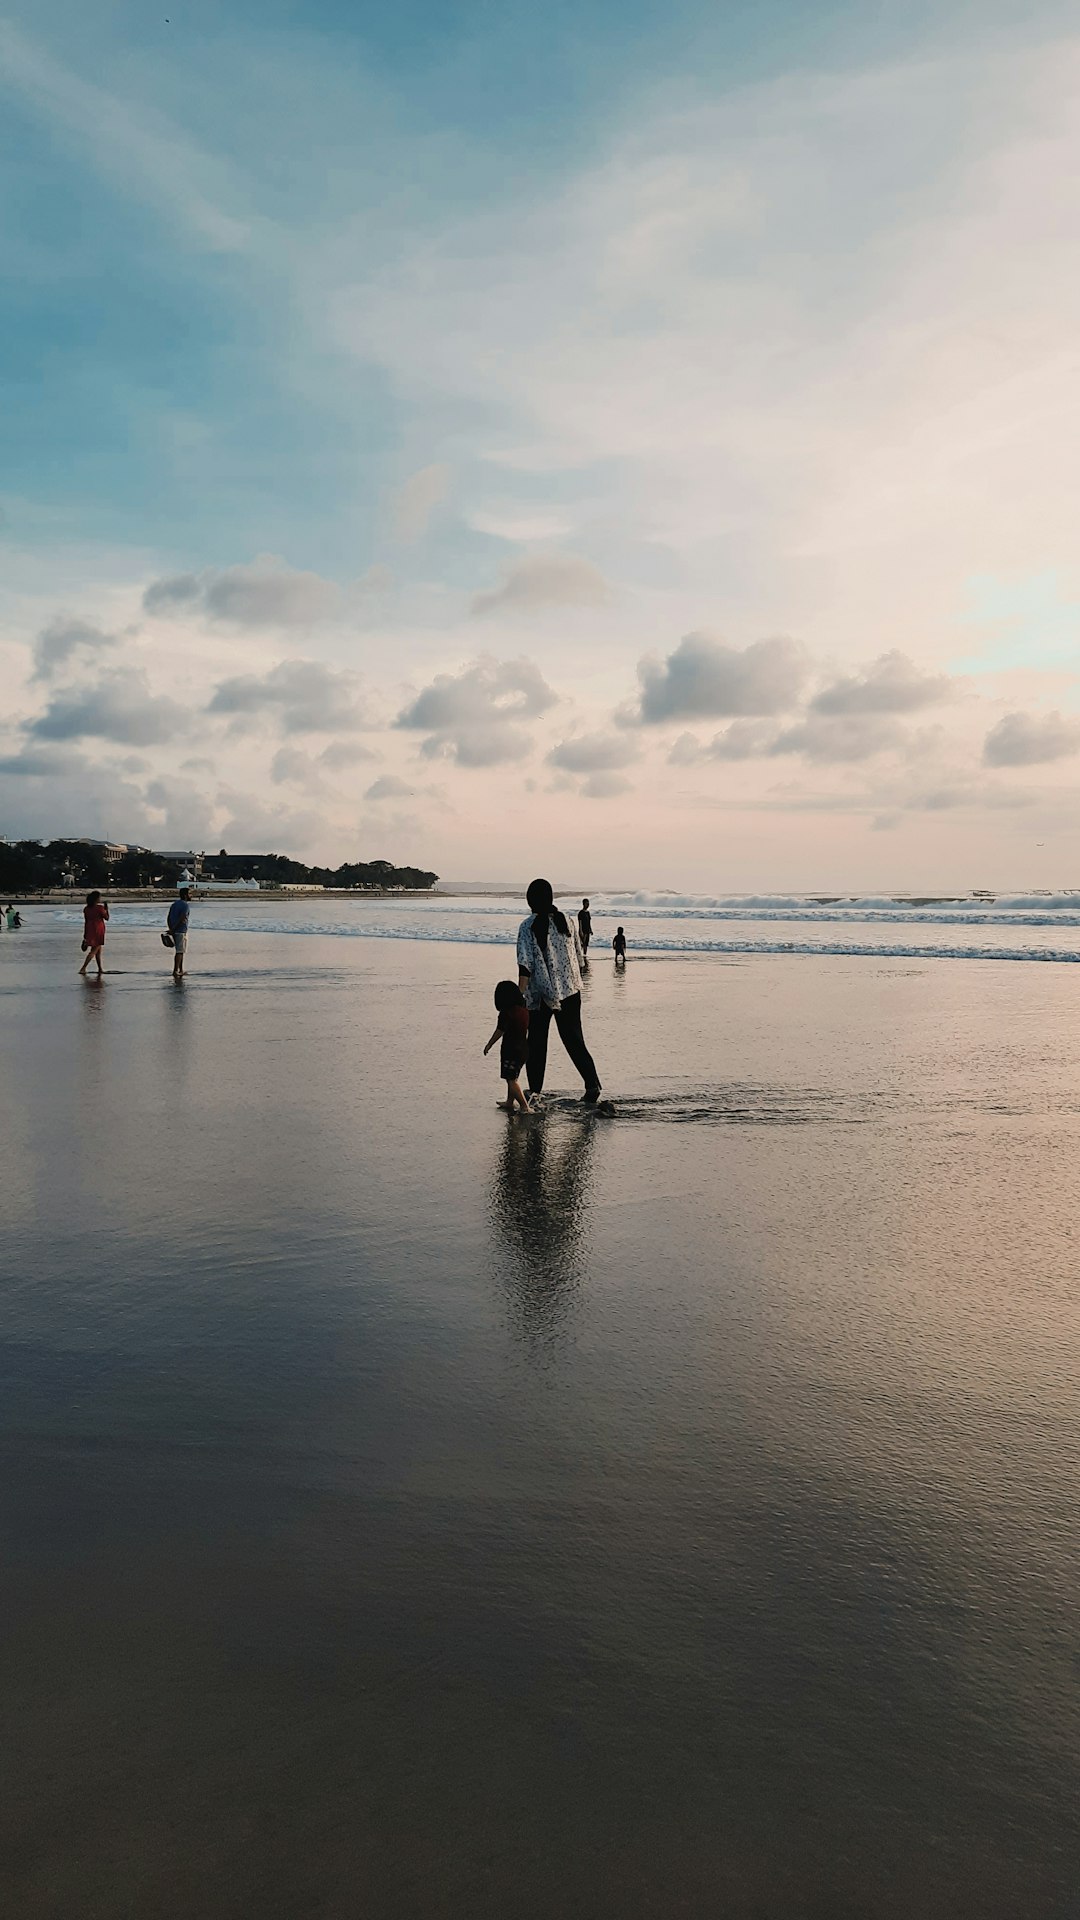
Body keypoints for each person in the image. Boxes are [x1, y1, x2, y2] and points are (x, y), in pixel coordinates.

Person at [517, 878, 601, 1103]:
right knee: (574, 1040)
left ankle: (535, 1090)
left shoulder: (527, 927)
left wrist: (519, 998)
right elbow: (579, 957)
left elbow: (525, 966)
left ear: (530, 900)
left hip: (540, 994)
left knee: (536, 1043)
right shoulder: (567, 921)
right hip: (570, 990)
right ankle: (592, 1084)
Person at [483, 980, 531, 1112]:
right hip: (523, 1049)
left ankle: (524, 1106)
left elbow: (500, 1031)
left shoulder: (506, 1013)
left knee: (511, 1079)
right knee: (512, 1076)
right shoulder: (524, 1010)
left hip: (511, 1050)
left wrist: (489, 1044)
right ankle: (509, 1101)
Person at [79, 890, 109, 976]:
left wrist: (85, 934)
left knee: (98, 951)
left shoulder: (86, 909)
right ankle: (83, 968)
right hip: (98, 929)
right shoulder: (99, 908)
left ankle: (100, 968)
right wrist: (106, 909)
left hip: (90, 928)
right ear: (96, 899)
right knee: (94, 950)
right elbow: (106, 917)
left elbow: (86, 921)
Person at [166, 886, 192, 978]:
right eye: (189, 894)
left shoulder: (174, 904)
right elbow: (182, 918)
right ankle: (175, 971)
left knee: (180, 951)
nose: (191, 896)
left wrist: (171, 928)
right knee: (180, 952)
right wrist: (174, 929)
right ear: (185, 895)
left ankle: (180, 970)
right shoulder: (185, 905)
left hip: (175, 930)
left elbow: (168, 917)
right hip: (180, 931)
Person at [577, 898, 592, 965]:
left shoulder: (588, 913)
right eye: (586, 903)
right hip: (583, 930)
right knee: (582, 944)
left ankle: (584, 955)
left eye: (588, 903)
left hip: (587, 930)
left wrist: (591, 930)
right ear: (583, 904)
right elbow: (579, 922)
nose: (588, 904)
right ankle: (581, 956)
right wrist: (580, 931)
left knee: (586, 944)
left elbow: (589, 922)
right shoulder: (581, 913)